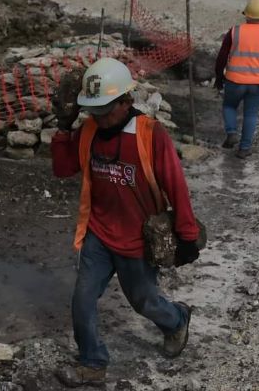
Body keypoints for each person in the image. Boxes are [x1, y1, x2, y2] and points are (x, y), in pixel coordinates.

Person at [50, 58, 201, 388]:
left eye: (107, 110)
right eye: (94, 111)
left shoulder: (150, 135)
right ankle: (93, 362)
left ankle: (176, 319)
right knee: (83, 299)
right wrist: (63, 129)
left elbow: (177, 186)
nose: (101, 118)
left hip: (138, 239)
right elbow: (63, 169)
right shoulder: (89, 131)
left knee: (143, 301)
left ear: (126, 101)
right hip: (99, 234)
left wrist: (187, 235)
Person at [214, 0, 259, 158]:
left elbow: (222, 56)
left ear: (246, 14)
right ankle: (244, 149)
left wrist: (218, 77)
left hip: (234, 81)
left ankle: (231, 132)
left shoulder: (235, 31)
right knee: (251, 114)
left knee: (229, 106)